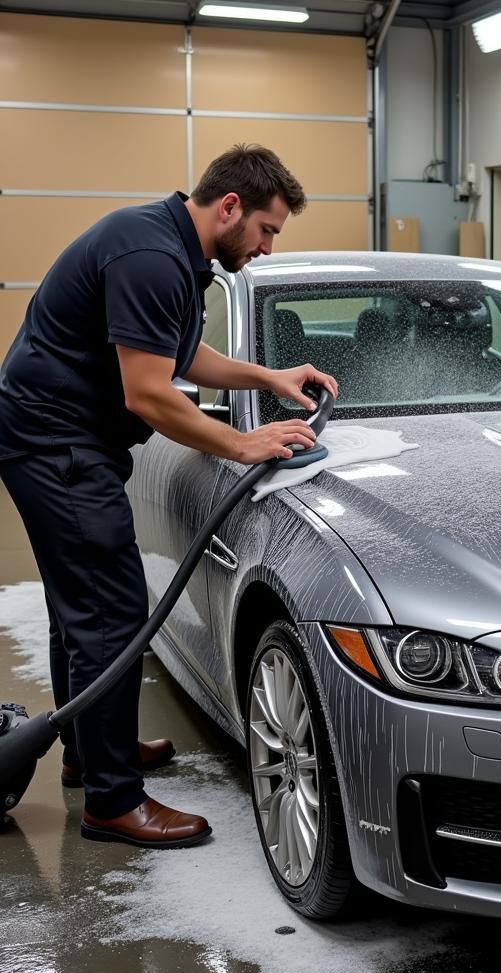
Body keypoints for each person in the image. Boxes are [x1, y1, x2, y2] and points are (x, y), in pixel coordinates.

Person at [0, 144, 338, 849]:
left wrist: (271, 377)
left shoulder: (172, 251)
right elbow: (149, 392)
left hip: (57, 436)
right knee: (110, 614)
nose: (268, 247)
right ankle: (112, 803)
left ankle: (92, 753)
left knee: (81, 614)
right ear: (230, 208)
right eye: (268, 230)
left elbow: (180, 356)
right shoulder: (150, 257)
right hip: (54, 444)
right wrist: (244, 444)